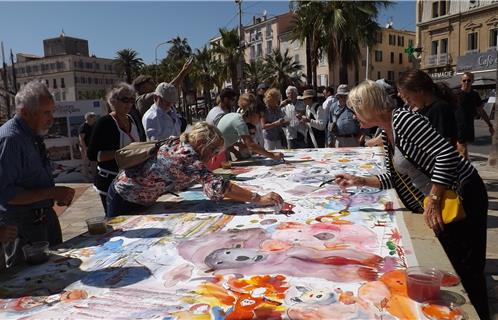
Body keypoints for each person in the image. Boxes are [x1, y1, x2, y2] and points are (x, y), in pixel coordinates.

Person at [335, 80, 489, 319]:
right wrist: (359, 180)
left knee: (467, 266)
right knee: (454, 261)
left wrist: (434, 199)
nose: (354, 116)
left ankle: (480, 311)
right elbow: (396, 177)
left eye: (356, 109)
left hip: (462, 194)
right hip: (443, 196)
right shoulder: (387, 133)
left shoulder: (405, 121)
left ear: (369, 106)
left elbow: (446, 154)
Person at [106, 122, 284, 217]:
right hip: (124, 197)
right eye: (213, 151)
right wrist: (258, 198)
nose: (213, 157)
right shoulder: (186, 155)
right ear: (200, 143)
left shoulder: (181, 143)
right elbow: (219, 186)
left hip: (138, 196)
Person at [0, 81, 75, 257]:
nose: (51, 118)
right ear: (25, 112)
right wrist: (51, 193)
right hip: (23, 227)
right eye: (46, 113)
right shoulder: (11, 140)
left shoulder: (32, 134)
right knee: (29, 280)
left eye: (52, 112)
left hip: (42, 219)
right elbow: (7, 194)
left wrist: (54, 195)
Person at [87, 83, 140, 212]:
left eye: (131, 100)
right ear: (113, 101)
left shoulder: (133, 119)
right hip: (110, 182)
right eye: (124, 100)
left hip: (131, 180)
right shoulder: (104, 123)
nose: (128, 104)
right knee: (116, 220)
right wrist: (121, 153)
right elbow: (92, 155)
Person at [397, 69, 458, 146]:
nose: (407, 102)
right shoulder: (420, 109)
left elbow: (442, 144)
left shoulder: (440, 109)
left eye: (408, 98)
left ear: (419, 91)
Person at [217, 101, 284, 162]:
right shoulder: (240, 123)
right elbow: (251, 145)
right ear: (254, 114)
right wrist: (272, 155)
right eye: (260, 116)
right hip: (215, 153)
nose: (260, 120)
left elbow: (225, 136)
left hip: (216, 151)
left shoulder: (234, 116)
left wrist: (236, 148)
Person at [454, 72, 495, 159]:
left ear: (472, 81)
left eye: (469, 80)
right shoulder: (455, 94)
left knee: (461, 149)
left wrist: (489, 124)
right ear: (461, 81)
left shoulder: (474, 95)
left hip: (469, 125)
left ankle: (457, 165)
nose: (466, 82)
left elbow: (481, 111)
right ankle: (465, 168)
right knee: (463, 150)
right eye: (464, 80)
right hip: (457, 126)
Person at [78, 112, 97, 182]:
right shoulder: (83, 127)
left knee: (94, 163)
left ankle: (94, 179)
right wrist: (85, 150)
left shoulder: (94, 125)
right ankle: (86, 180)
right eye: (93, 117)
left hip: (93, 148)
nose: (94, 118)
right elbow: (81, 139)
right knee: (85, 164)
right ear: (88, 118)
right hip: (85, 147)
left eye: (94, 116)